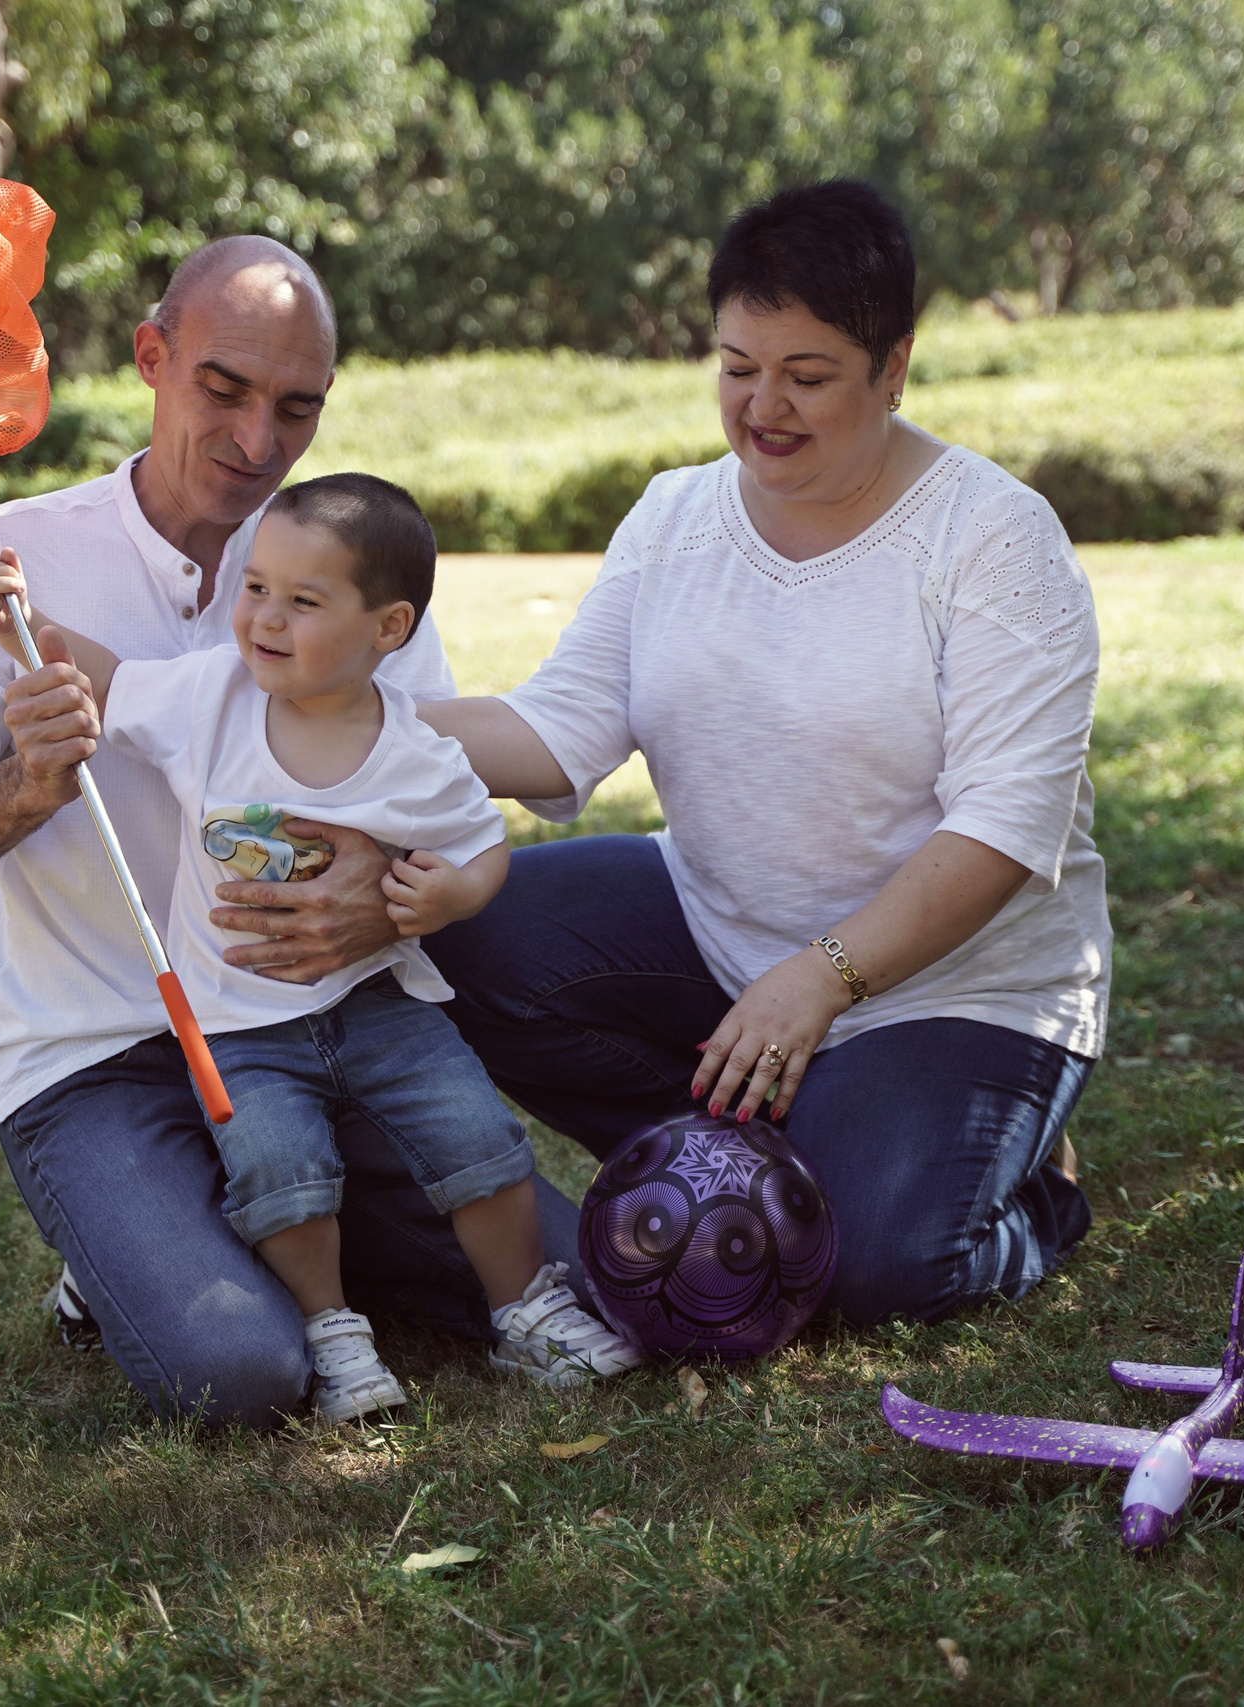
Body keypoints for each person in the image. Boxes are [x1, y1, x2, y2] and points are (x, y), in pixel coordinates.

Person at [0, 236, 590, 1426]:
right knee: (243, 1373)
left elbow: (419, 789)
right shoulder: (1, 561)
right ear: (153, 358)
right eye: (224, 390)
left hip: (322, 1025)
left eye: (296, 409)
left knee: (576, 1276)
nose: (258, 442)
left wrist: (383, 888)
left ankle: (231, 1219)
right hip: (99, 1054)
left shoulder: (342, 554)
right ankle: (141, 1243)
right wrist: (28, 783)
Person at [418, 180, 1106, 1324]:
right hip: (719, 930)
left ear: (894, 366)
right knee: (466, 939)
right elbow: (557, 733)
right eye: (738, 367)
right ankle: (751, 1157)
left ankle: (1038, 1193)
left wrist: (821, 978)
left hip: (960, 987)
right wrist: (359, 725)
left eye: (807, 375)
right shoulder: (674, 518)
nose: (762, 408)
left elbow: (998, 832)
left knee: (863, 1271)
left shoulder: (993, 541)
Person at [0, 473, 640, 1422]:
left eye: (304, 601)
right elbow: (104, 685)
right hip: (241, 1027)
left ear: (388, 629)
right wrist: (20, 626)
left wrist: (449, 895)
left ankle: (524, 1305)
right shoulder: (208, 700)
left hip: (379, 1010)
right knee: (282, 1174)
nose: (265, 620)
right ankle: (331, 1328)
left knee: (479, 1142)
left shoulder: (412, 746)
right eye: (257, 588)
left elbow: (481, 841)